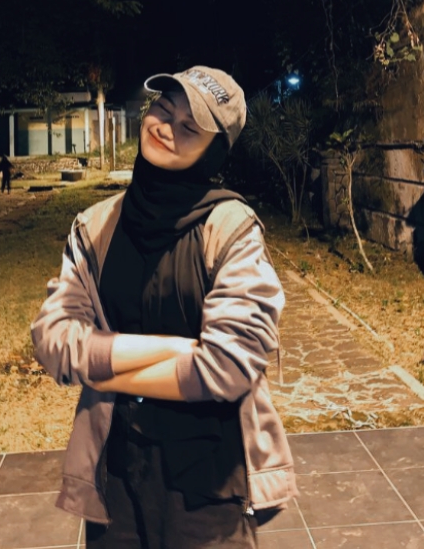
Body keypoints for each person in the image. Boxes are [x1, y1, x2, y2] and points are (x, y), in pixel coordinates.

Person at [31, 66, 296, 549]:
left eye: (189, 126)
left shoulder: (231, 230)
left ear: (213, 150)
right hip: (116, 471)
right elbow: (53, 341)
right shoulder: (96, 226)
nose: (166, 127)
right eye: (163, 109)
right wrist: (174, 349)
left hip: (211, 483)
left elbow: (228, 367)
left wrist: (103, 370)